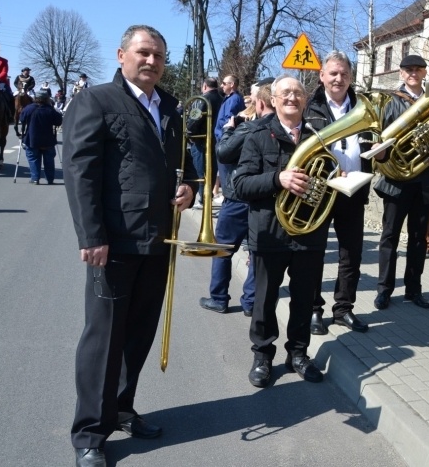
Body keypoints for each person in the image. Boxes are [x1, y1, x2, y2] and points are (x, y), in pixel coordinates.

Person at [63, 25, 196, 467]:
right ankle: (89, 434)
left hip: (159, 239)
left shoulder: (171, 108)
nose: (151, 61)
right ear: (122, 55)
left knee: (138, 334)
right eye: (143, 52)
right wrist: (92, 236)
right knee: (103, 340)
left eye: (158, 55)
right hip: (115, 241)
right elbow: (80, 172)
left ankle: (120, 408)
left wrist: (190, 190)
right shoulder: (96, 100)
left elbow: (183, 167)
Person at [233, 74, 329, 387]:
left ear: (305, 100)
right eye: (285, 93)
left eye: (298, 93)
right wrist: (278, 179)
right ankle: (262, 355)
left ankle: (298, 354)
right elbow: (241, 184)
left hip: (309, 233)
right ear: (273, 100)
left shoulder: (320, 135)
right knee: (264, 299)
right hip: (269, 233)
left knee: (304, 299)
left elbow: (328, 179)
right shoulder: (258, 135)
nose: (291, 98)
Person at [305, 50, 375, 335]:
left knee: (351, 255)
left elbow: (373, 141)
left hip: (353, 191)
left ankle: (343, 309)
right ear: (322, 76)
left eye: (344, 73)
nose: (338, 78)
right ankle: (313, 310)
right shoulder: (309, 108)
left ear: (351, 77)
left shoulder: (363, 106)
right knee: (315, 253)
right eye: (333, 73)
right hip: (321, 192)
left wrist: (380, 153)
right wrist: (330, 173)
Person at [199, 81, 273, 317]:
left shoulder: (250, 127)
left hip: (239, 197)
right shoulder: (282, 129)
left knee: (223, 248)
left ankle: (218, 298)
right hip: (266, 198)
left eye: (253, 98)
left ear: (260, 103)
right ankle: (251, 302)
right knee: (256, 252)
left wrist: (229, 129)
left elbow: (223, 152)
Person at [372, 54, 429, 310]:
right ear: (401, 73)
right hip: (396, 181)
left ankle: (414, 289)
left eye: (418, 69)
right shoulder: (390, 101)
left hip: (424, 179)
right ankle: (384, 290)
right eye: (408, 69)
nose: (413, 73)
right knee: (389, 237)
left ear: (425, 73)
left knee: (419, 238)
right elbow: (380, 136)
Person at [187, 77, 223, 207]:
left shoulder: (202, 99)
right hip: (216, 140)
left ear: (205, 86)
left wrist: (189, 132)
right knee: (212, 171)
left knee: (200, 171)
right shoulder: (222, 99)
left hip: (201, 140)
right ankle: (208, 198)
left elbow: (195, 119)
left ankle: (203, 199)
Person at [19, 88, 63, 184]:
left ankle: (35, 178)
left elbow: (22, 119)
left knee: (33, 159)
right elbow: (58, 122)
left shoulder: (28, 108)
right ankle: (50, 179)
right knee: (49, 160)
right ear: (47, 99)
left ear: (35, 98)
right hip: (48, 140)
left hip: (32, 140)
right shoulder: (50, 110)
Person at [0, 41, 15, 119]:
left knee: (10, 95)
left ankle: (10, 114)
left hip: (0, 81)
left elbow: (4, 71)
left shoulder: (3, 61)